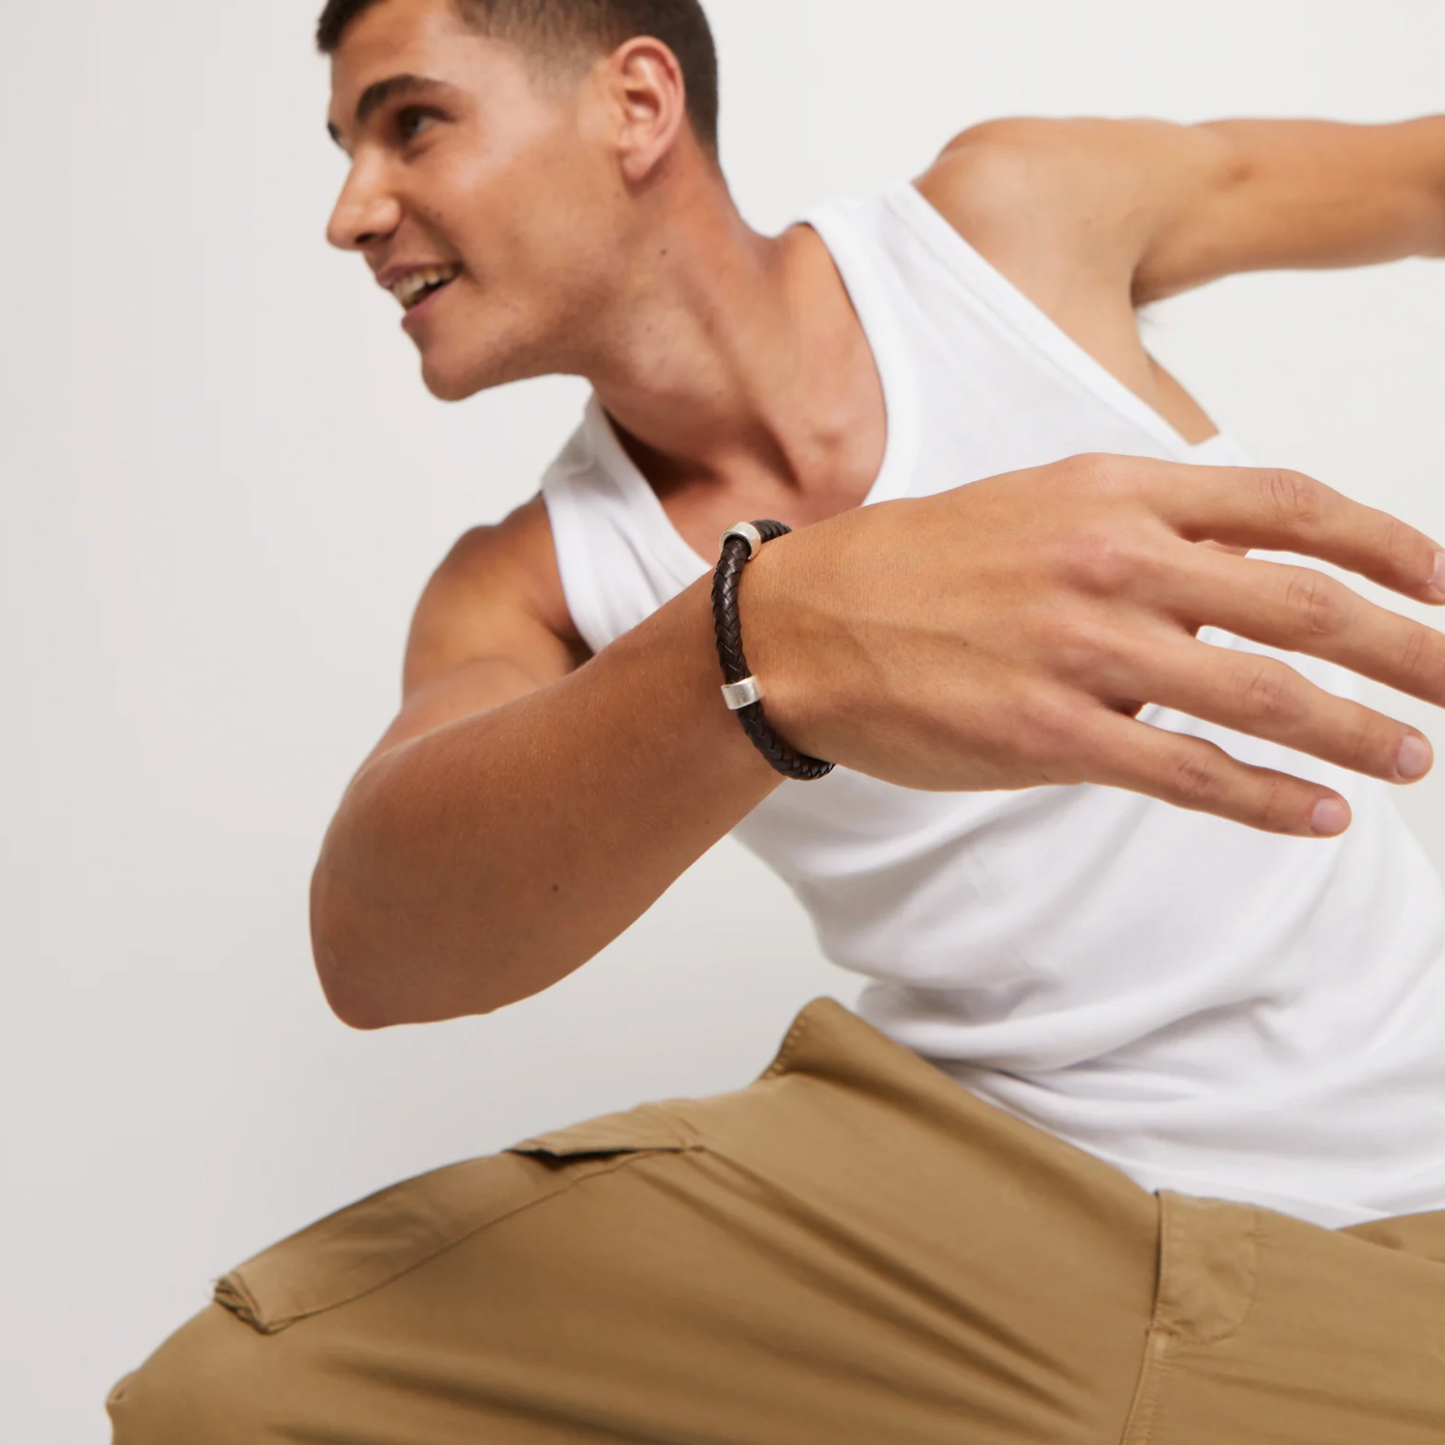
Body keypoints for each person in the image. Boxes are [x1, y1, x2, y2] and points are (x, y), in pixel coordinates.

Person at [108, 0, 1445, 1439]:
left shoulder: (1006, 225)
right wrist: (760, 641)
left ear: (636, 104)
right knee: (235, 1395)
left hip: (1403, 1208)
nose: (351, 211)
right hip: (974, 1231)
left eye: (411, 120)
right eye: (344, 148)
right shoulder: (525, 585)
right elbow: (378, 942)